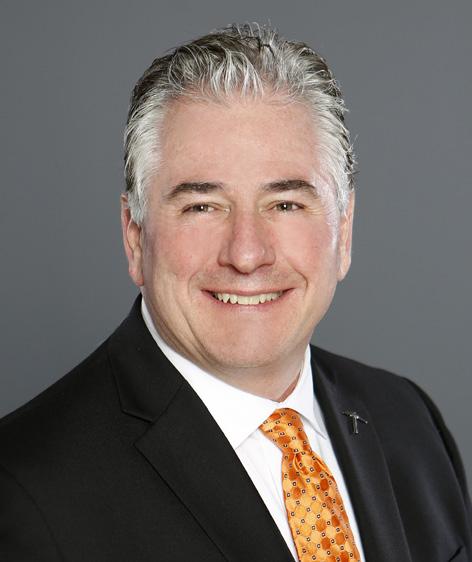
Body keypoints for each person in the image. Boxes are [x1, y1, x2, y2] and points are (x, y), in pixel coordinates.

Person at [0, 23, 470, 562]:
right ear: (135, 237)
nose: (246, 254)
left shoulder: (409, 421)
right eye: (202, 206)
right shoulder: (24, 492)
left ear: (343, 232)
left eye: (286, 204)